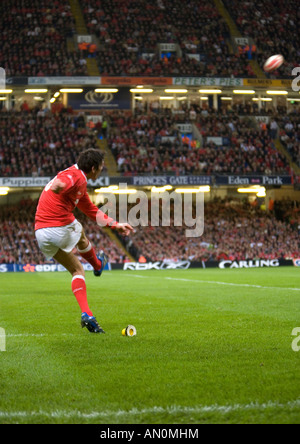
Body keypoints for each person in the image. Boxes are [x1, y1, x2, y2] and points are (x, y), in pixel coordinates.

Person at [35, 148, 134, 333]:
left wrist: (115, 224)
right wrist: (59, 185)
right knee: (79, 229)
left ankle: (87, 314)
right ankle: (97, 264)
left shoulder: (77, 183)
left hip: (41, 233)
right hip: (57, 225)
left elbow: (90, 209)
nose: (102, 171)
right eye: (101, 168)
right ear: (94, 168)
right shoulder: (76, 176)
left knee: (77, 269)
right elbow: (62, 182)